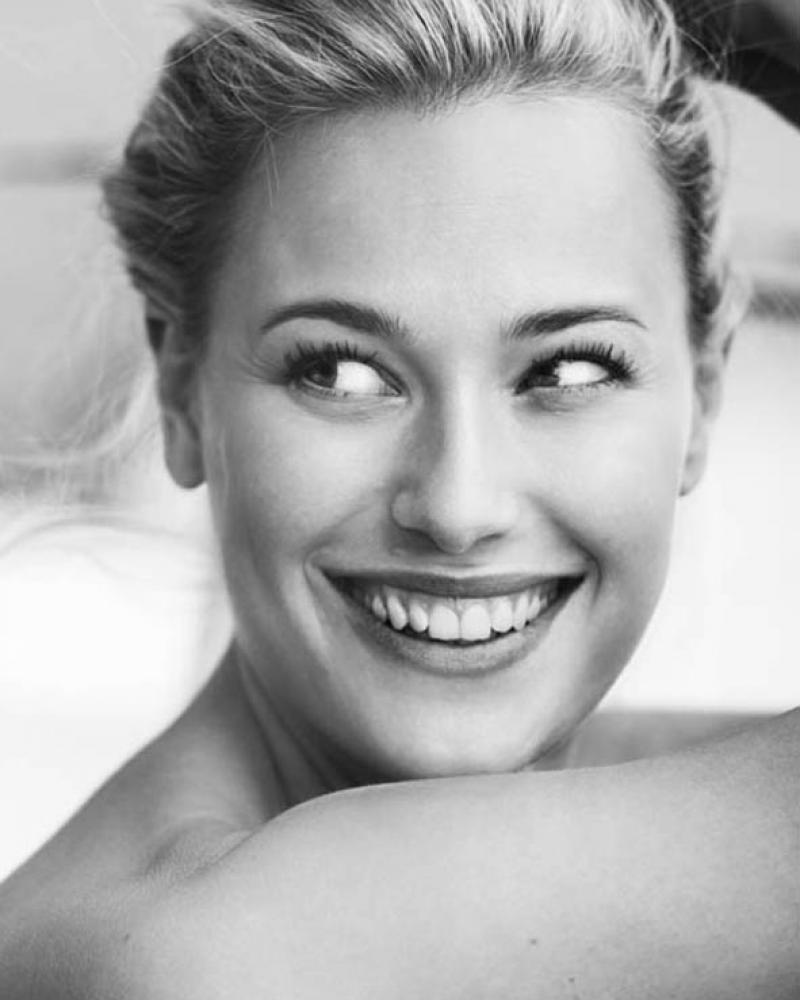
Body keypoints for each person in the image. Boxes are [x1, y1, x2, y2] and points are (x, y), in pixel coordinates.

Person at [0, 0, 797, 997]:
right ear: (179, 389)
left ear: (703, 392)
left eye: (570, 369)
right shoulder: (199, 955)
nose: (459, 506)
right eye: (339, 373)